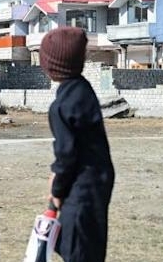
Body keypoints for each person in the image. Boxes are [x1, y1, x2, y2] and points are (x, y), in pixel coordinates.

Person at [39, 27, 115, 262]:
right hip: (98, 183)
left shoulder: (61, 107)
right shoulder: (83, 90)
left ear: (51, 65)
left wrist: (57, 188)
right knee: (87, 245)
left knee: (78, 249)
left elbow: (66, 155)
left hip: (79, 188)